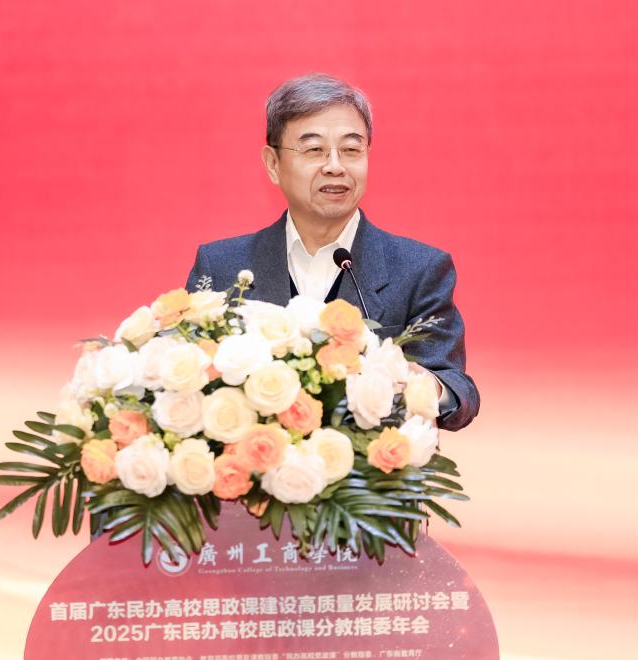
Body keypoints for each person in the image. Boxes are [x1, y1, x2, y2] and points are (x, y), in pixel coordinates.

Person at [186, 73, 479, 431]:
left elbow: (458, 391)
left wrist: (427, 387)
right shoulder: (220, 267)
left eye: (351, 150)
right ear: (273, 164)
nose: (335, 166)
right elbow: (185, 379)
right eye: (314, 150)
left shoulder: (421, 269)